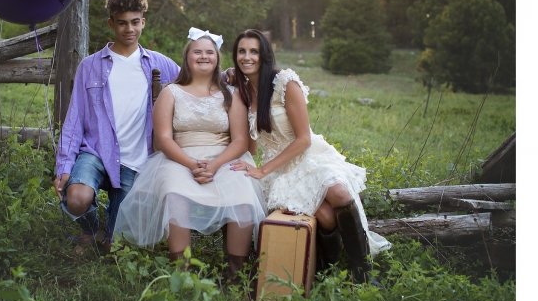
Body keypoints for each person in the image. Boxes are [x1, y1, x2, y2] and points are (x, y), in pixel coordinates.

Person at [228, 29, 390, 283]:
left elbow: (303, 139)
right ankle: (325, 272)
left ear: (265, 55)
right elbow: (253, 147)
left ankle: (363, 273)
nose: (247, 57)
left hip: (308, 157)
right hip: (280, 171)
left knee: (339, 193)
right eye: (241, 51)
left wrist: (262, 170)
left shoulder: (284, 83)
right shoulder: (243, 92)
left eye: (254, 51)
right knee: (325, 216)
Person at [113, 28, 267, 282]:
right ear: (187, 58)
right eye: (197, 52)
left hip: (224, 157)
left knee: (242, 194)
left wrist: (215, 164)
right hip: (179, 157)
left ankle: (234, 274)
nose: (203, 56)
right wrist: (192, 164)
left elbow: (240, 140)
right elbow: (162, 139)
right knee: (175, 195)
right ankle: (182, 274)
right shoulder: (170, 92)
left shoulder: (233, 93)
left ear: (217, 59)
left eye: (209, 52)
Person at [54, 0, 180, 250]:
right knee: (77, 199)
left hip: (136, 159)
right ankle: (90, 230)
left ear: (143, 22)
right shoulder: (90, 66)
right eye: (122, 23)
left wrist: (230, 75)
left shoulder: (161, 65)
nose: (129, 29)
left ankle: (109, 231)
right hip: (97, 151)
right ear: (112, 23)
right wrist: (64, 166)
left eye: (135, 22)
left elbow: (196, 83)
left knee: (117, 244)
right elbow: (74, 119)